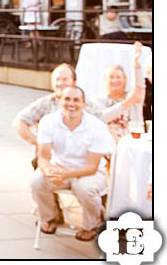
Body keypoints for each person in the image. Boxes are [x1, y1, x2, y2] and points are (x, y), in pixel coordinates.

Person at [11, 63, 140, 168]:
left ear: (74, 81)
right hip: (51, 157)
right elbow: (19, 122)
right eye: (57, 79)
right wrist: (38, 143)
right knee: (38, 182)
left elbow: (103, 125)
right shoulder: (45, 103)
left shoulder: (85, 104)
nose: (60, 83)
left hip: (82, 157)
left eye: (64, 79)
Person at [31, 85, 114, 241]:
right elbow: (43, 157)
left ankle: (92, 224)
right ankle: (51, 217)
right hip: (59, 169)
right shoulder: (48, 121)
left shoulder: (97, 127)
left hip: (92, 173)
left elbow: (92, 167)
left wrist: (66, 174)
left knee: (83, 187)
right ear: (60, 101)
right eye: (67, 99)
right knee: (36, 180)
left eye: (76, 100)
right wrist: (48, 170)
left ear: (84, 104)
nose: (71, 104)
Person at [89, 42, 146, 142]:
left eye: (118, 77)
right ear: (105, 80)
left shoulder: (134, 97)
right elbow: (100, 119)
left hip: (133, 142)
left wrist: (136, 64)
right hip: (107, 144)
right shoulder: (97, 100)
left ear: (125, 80)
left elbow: (140, 86)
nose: (115, 81)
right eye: (111, 77)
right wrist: (127, 103)